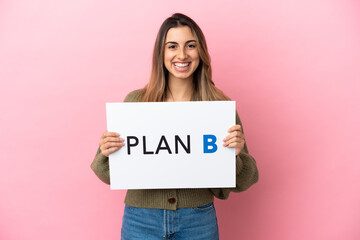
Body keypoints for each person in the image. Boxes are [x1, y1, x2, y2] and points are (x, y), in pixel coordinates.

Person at [91, 13, 259, 240]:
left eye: (190, 45)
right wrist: (106, 151)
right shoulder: (136, 102)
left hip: (197, 219)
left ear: (200, 51)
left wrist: (236, 154)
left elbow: (245, 181)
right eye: (172, 46)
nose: (182, 55)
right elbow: (106, 173)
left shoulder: (219, 106)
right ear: (161, 53)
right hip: (141, 219)